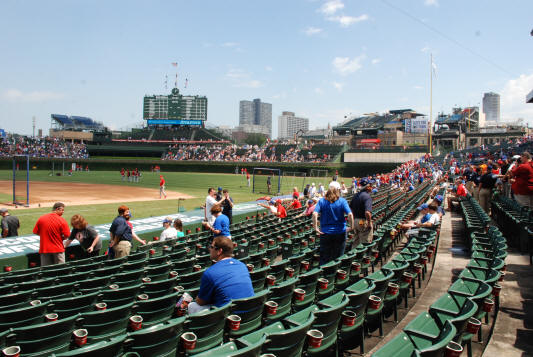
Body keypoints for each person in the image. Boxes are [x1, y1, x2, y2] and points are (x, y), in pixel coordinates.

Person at [187, 236, 254, 314]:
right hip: (251, 312)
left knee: (192, 306)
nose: (209, 249)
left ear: (219, 251)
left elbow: (200, 302)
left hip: (229, 316)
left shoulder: (210, 273)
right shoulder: (242, 265)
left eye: (212, 247)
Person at [313, 188, 354, 265]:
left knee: (325, 257)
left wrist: (315, 227)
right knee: (338, 257)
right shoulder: (342, 201)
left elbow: (314, 214)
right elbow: (350, 214)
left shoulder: (321, 201)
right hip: (340, 233)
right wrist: (351, 227)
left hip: (325, 233)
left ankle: (323, 274)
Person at [349, 179, 373, 248]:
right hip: (363, 221)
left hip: (355, 221)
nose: (372, 187)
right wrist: (369, 222)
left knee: (356, 241)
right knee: (365, 243)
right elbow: (367, 212)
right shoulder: (367, 197)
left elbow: (350, 209)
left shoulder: (356, 195)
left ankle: (353, 257)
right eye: (370, 185)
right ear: (367, 187)